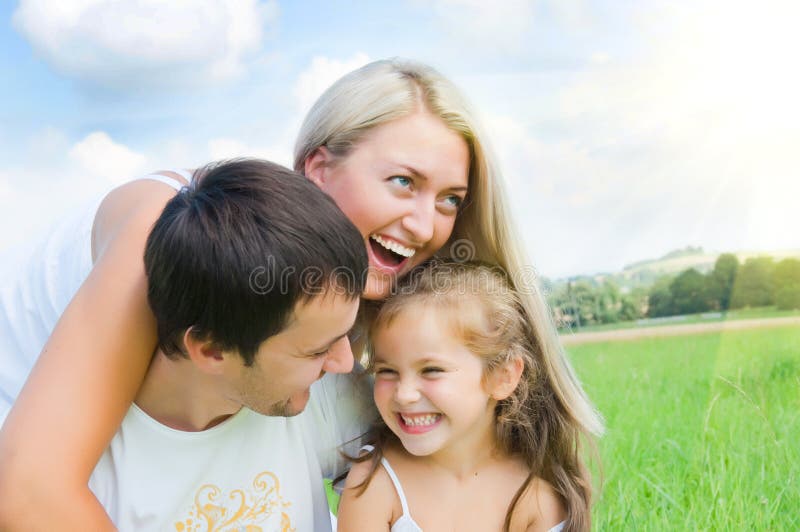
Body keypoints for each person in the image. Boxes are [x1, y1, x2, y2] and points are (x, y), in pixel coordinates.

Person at [0, 59, 603, 529]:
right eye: (402, 182)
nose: (427, 225)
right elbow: (29, 493)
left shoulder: (342, 322)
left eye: (450, 199)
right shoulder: (171, 240)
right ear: (317, 170)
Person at [103, 158, 372, 530]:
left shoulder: (328, 398)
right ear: (212, 350)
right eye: (315, 350)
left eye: (346, 332)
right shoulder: (91, 477)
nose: (344, 362)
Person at [337, 261, 591, 532]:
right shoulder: (375, 481)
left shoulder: (538, 492)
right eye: (387, 371)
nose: (405, 394)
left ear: (503, 376)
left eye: (431, 370)